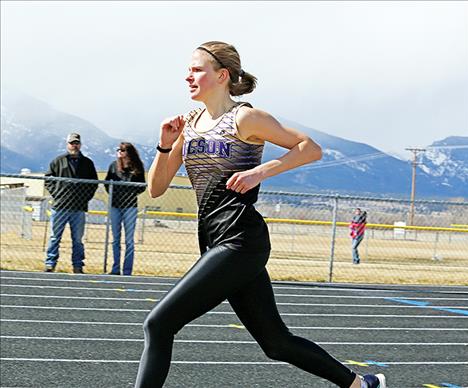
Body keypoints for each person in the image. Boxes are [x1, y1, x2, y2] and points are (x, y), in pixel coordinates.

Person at [135, 41, 386, 388]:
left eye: (196, 69)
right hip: (213, 239)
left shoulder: (246, 117)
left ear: (221, 75)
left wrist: (260, 172)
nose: (187, 76)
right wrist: (165, 144)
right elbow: (157, 187)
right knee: (275, 342)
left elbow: (310, 149)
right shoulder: (190, 123)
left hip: (241, 239)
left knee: (158, 323)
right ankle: (362, 384)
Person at [44, 132, 98, 274]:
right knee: (55, 237)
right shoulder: (58, 161)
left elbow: (94, 183)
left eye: (76, 143)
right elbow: (48, 180)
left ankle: (77, 265)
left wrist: (84, 197)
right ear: (67, 144)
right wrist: (57, 194)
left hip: (78, 208)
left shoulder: (87, 163)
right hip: (60, 206)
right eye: (71, 143)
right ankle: (50, 264)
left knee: (78, 240)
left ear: (80, 144)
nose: (74, 145)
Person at [104, 142, 146, 276]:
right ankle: (115, 268)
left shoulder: (137, 166)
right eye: (118, 150)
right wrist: (114, 193)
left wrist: (129, 191)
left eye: (122, 150)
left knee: (129, 240)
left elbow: (142, 186)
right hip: (115, 206)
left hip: (130, 207)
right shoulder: (113, 166)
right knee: (115, 239)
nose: (120, 152)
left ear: (129, 152)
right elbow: (107, 183)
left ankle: (127, 270)